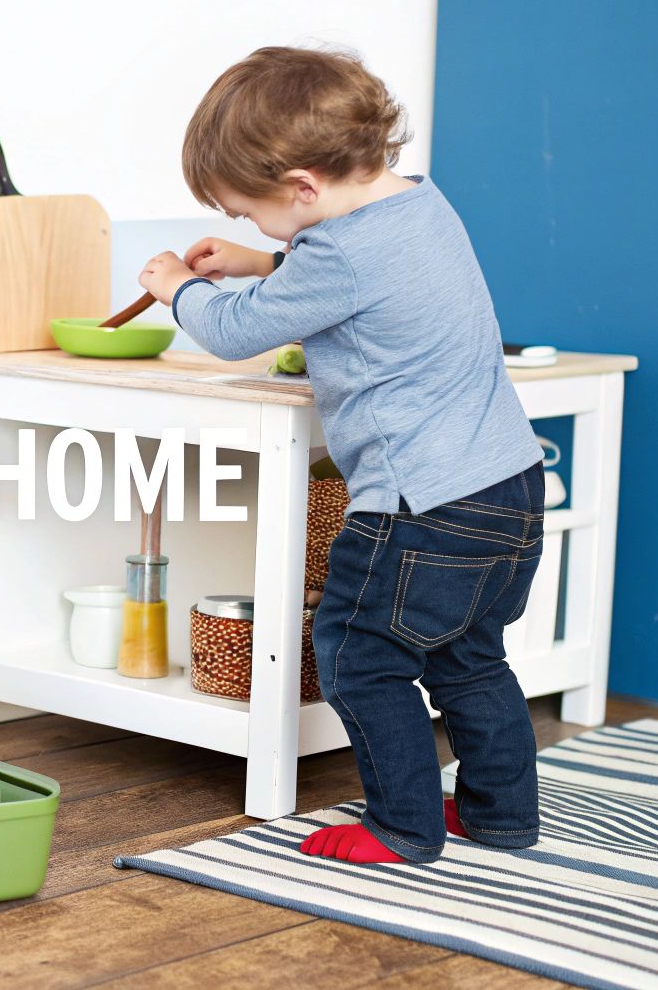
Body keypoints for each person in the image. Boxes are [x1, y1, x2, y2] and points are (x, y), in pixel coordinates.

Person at [138, 46, 546, 864]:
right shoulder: (421, 204)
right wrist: (263, 262)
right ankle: (501, 815)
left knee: (359, 653)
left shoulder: (338, 254)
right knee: (469, 658)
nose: (251, 226)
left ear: (302, 187)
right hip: (508, 487)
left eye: (251, 213)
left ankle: (401, 825)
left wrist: (178, 284)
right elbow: (355, 270)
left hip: (419, 504)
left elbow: (233, 332)